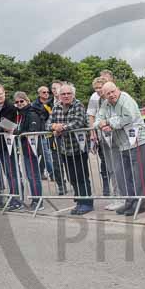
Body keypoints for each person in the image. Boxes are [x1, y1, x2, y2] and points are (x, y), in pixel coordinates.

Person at [95, 83, 145, 216]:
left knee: (138, 175)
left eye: (113, 91)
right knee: (125, 176)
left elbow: (128, 118)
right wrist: (102, 125)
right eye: (108, 94)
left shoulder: (126, 100)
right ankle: (129, 202)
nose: (112, 95)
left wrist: (108, 123)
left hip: (136, 141)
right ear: (105, 95)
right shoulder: (105, 104)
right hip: (121, 144)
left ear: (118, 90)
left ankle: (140, 204)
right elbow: (97, 119)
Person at [49, 83, 93, 215]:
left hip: (78, 148)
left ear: (73, 94)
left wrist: (61, 128)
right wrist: (53, 127)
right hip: (64, 149)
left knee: (82, 176)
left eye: (69, 93)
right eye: (63, 94)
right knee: (71, 177)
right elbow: (48, 123)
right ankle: (79, 201)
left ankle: (87, 203)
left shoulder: (78, 105)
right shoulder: (56, 107)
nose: (66, 96)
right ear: (59, 95)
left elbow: (78, 122)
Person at [0, 84, 22, 211]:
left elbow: (5, 125)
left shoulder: (10, 107)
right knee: (8, 173)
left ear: (4, 92)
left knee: (12, 172)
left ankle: (17, 199)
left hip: (9, 143)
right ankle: (13, 197)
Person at [87, 76, 118, 203]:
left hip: (116, 135)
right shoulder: (96, 99)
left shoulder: (114, 97)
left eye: (100, 88)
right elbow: (92, 116)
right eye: (96, 88)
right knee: (108, 165)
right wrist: (93, 131)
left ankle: (122, 196)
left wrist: (107, 123)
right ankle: (116, 195)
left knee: (118, 166)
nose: (98, 90)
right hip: (103, 136)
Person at [13, 91, 45, 208]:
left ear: (27, 100)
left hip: (32, 148)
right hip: (24, 148)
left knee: (33, 175)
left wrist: (17, 132)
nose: (19, 103)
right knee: (30, 175)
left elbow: (32, 130)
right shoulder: (20, 114)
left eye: (21, 101)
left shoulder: (31, 113)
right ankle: (35, 199)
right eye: (17, 102)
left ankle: (38, 201)